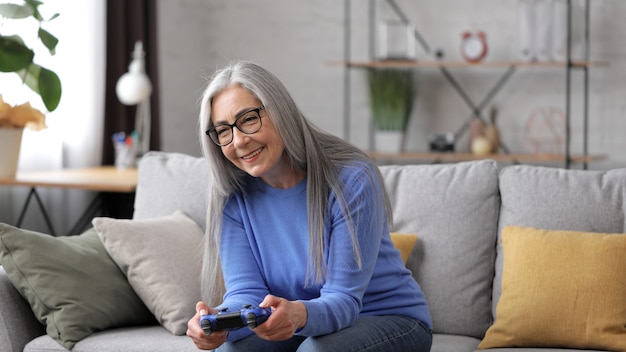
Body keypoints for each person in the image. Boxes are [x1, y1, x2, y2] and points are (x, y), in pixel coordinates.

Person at [186, 61, 432, 352]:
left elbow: (344, 299)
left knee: (316, 351)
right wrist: (220, 324)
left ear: (279, 112)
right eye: (223, 130)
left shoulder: (350, 179)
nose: (239, 141)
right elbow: (246, 295)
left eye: (248, 119)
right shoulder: (233, 197)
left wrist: (300, 315)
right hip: (306, 326)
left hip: (389, 319)